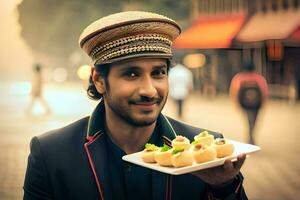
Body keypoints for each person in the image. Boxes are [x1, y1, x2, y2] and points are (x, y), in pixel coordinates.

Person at [24, 11, 247, 200]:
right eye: (132, 74)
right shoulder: (51, 155)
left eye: (158, 73)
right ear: (99, 80)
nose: (149, 90)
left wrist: (223, 187)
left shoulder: (207, 157)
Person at [230, 61, 268, 145]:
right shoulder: (259, 78)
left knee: (249, 120)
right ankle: (251, 135)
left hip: (245, 104)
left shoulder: (239, 78)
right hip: (256, 105)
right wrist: (263, 104)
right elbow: (264, 92)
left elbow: (234, 92)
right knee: (254, 120)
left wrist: (236, 104)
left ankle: (250, 135)